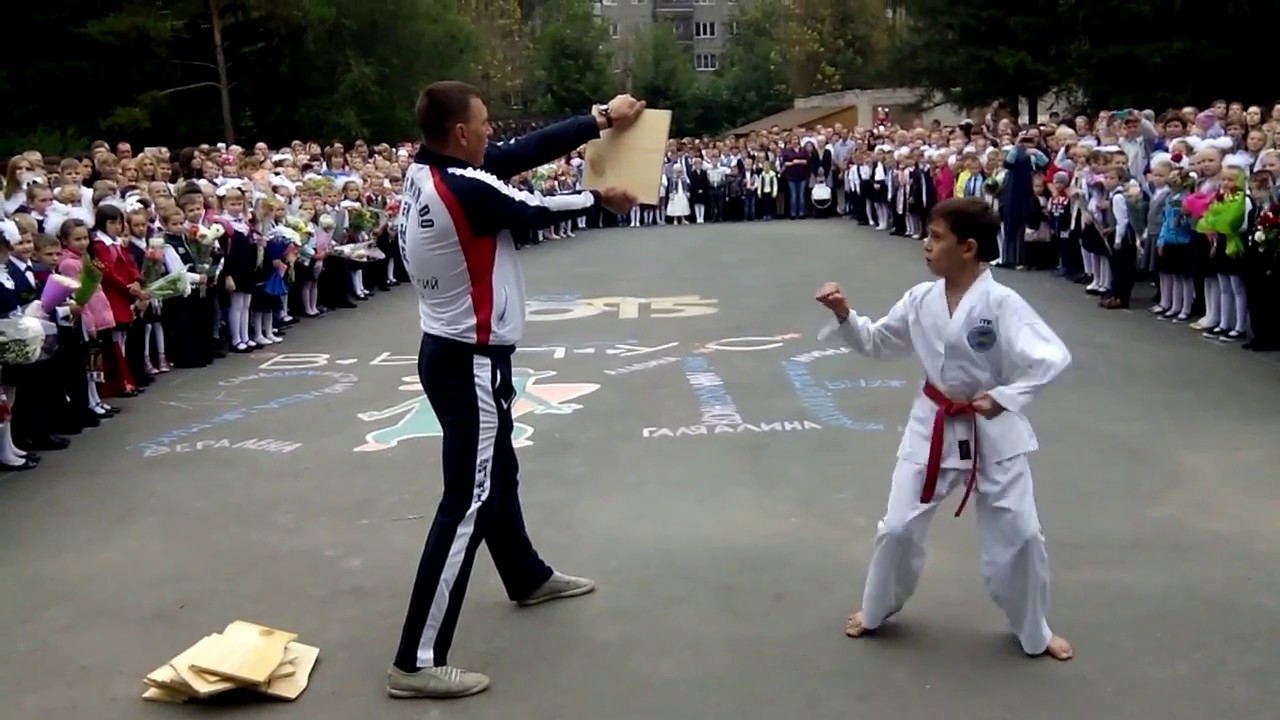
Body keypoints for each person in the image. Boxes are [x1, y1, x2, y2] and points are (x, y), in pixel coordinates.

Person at [389, 80, 642, 699]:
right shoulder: (466, 188)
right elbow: (531, 208)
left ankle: (525, 575)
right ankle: (415, 661)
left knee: (498, 473)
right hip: (468, 360)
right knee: (468, 501)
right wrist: (597, 199)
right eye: (483, 123)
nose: (491, 131)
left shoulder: (431, 171)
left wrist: (598, 121)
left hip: (451, 353)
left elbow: (514, 156)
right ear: (459, 134)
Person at [813, 196, 1074, 662]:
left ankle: (1034, 630)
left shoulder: (1002, 303)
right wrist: (843, 315)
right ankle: (877, 609)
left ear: (969, 247)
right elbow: (877, 342)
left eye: (936, 238)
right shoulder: (920, 299)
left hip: (993, 429)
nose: (925, 246)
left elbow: (1050, 358)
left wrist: (1004, 397)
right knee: (895, 528)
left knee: (1023, 535)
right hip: (932, 424)